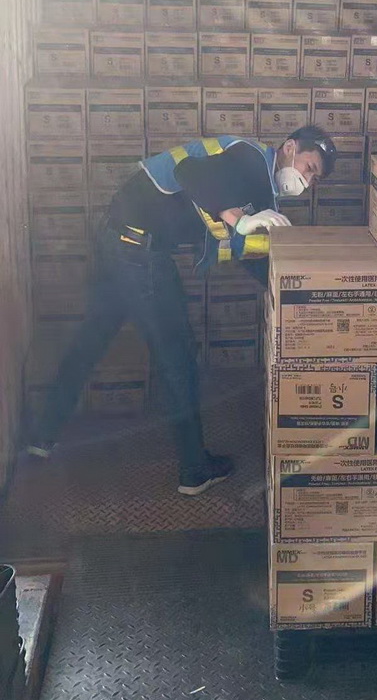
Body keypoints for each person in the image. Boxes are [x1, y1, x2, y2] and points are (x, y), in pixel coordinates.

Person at [28, 126, 337, 495]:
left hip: (119, 239)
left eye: (315, 178)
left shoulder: (261, 190)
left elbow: (249, 253)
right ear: (289, 148)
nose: (306, 180)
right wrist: (238, 219)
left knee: (93, 337)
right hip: (140, 252)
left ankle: (42, 435)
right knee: (178, 357)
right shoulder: (250, 158)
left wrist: (291, 291)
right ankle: (194, 470)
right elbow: (188, 172)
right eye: (309, 167)